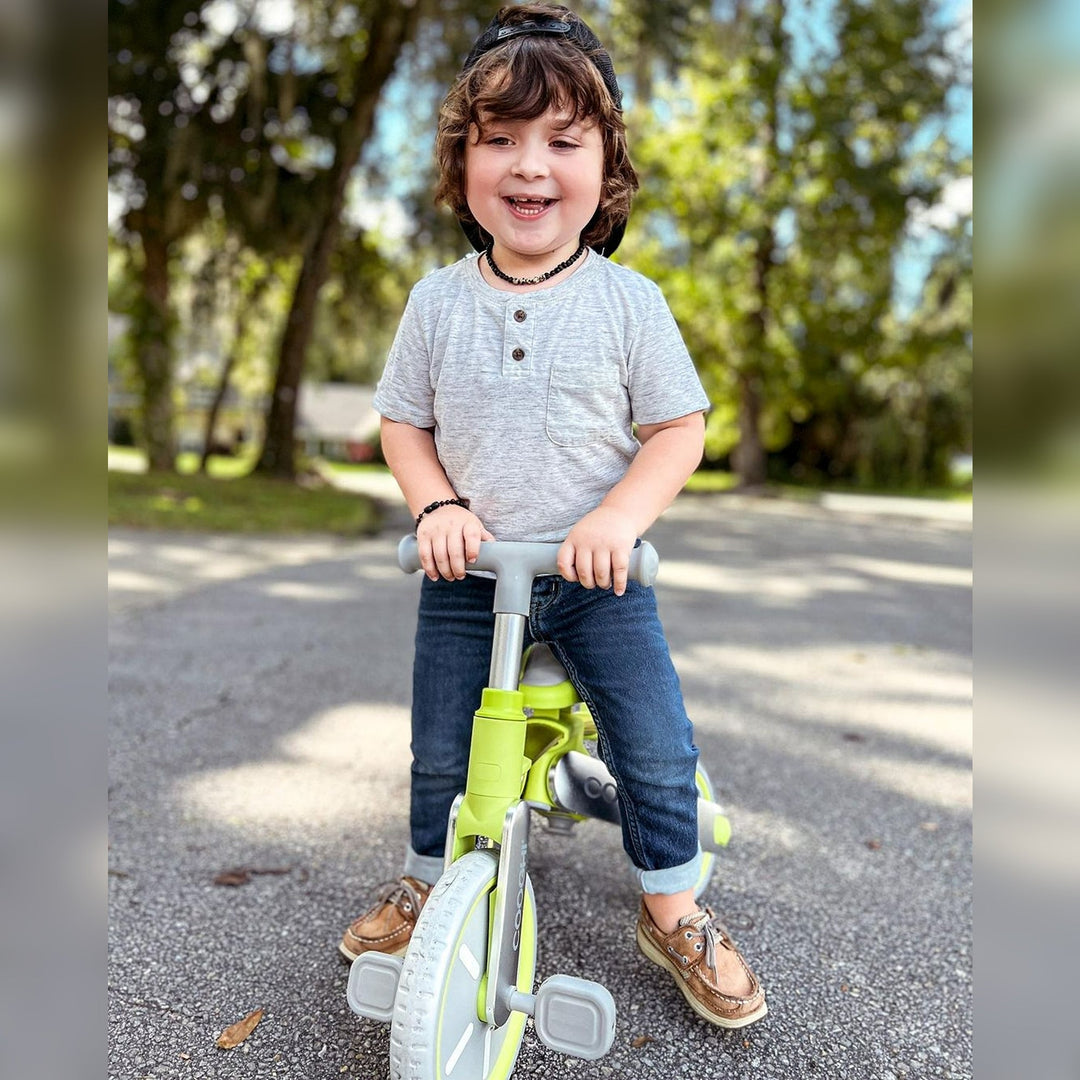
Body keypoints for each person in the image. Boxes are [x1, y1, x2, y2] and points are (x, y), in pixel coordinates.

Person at [340, 3, 767, 1029]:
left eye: (562, 141)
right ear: (463, 167)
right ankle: (428, 877)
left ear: (605, 171)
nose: (530, 165)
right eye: (501, 140)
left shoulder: (629, 304)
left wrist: (619, 518)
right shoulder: (438, 304)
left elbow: (679, 430)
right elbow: (403, 425)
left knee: (655, 747)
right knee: (442, 750)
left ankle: (672, 906)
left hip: (595, 580)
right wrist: (435, 501)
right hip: (471, 575)